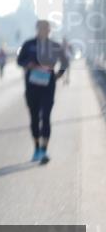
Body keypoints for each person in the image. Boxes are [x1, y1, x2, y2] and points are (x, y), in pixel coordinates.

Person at [17, 20, 68, 164]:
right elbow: (19, 60)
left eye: (47, 28)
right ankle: (36, 148)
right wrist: (27, 64)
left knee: (46, 117)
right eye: (42, 28)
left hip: (48, 86)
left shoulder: (54, 46)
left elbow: (65, 62)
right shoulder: (28, 44)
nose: (45, 31)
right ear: (37, 29)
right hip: (32, 86)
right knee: (34, 118)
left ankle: (44, 151)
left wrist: (59, 75)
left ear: (50, 30)